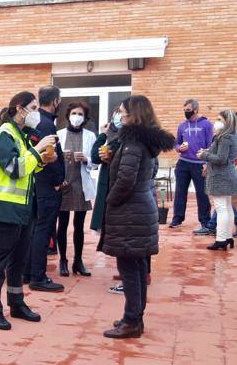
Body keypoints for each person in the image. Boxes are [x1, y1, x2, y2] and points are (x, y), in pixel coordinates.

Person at [100, 96, 174, 339]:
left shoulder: (133, 144)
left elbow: (126, 180)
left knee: (130, 268)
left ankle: (132, 321)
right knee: (139, 267)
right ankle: (134, 317)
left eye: (121, 112)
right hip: (142, 209)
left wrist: (110, 201)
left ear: (134, 114)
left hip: (131, 213)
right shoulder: (145, 143)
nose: (118, 116)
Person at [0, 91, 58, 331]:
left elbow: (27, 169)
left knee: (19, 259)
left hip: (24, 205)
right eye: (33, 107)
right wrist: (38, 151)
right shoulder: (4, 135)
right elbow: (14, 168)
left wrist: (43, 160)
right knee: (0, 258)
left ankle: (16, 303)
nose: (36, 112)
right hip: (6, 206)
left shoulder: (21, 135)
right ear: (19, 107)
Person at [24, 85, 66, 292]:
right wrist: (58, 180)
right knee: (43, 229)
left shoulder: (37, 122)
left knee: (34, 228)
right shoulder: (47, 124)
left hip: (36, 182)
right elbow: (50, 156)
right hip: (47, 184)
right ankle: (37, 276)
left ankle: (27, 271)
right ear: (55, 101)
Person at [198, 111, 237, 238]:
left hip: (227, 176)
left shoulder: (230, 137)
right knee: (226, 206)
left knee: (222, 207)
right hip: (228, 174)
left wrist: (204, 155)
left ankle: (221, 237)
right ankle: (224, 235)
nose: (216, 122)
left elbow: (223, 158)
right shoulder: (233, 135)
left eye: (219, 119)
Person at [56, 102, 96, 278]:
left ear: (85, 118)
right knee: (62, 224)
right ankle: (63, 260)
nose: (77, 116)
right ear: (68, 115)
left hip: (81, 184)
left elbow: (95, 162)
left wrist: (86, 159)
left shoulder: (90, 136)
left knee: (79, 225)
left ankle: (78, 261)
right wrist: (60, 157)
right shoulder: (59, 134)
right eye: (74, 113)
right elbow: (51, 159)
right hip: (64, 184)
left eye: (80, 114)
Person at [170, 98, 213, 231]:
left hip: (200, 164)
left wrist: (207, 163)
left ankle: (205, 221)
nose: (186, 113)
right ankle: (177, 218)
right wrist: (178, 148)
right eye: (184, 110)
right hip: (183, 163)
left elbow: (211, 145)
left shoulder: (206, 125)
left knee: (202, 193)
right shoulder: (182, 126)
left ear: (195, 110)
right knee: (179, 192)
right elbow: (176, 143)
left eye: (188, 110)